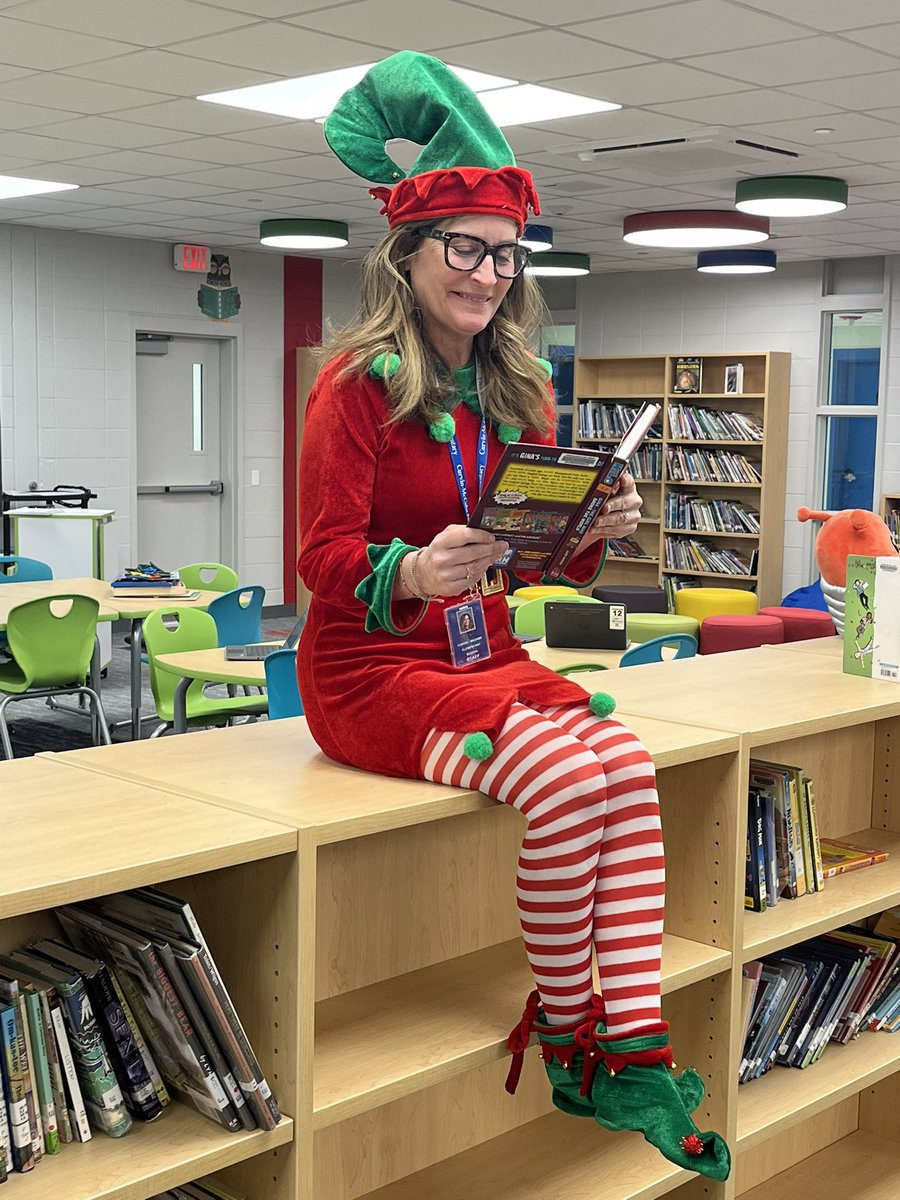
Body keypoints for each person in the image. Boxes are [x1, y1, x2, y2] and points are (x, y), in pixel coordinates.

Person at [297, 52, 729, 1181]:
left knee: (627, 769)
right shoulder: (354, 386)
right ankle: (569, 1035)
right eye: (466, 248)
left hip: (480, 656)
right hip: (366, 673)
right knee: (566, 777)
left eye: (505, 252)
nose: (487, 273)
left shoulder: (519, 389)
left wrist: (598, 526)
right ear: (410, 252)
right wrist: (409, 570)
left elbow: (544, 565)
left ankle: (628, 1047)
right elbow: (319, 560)